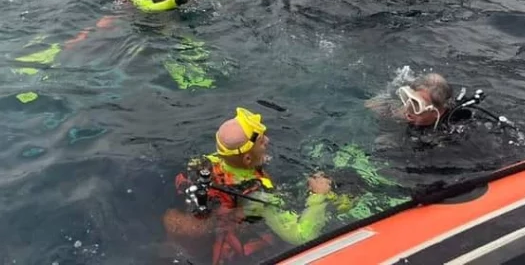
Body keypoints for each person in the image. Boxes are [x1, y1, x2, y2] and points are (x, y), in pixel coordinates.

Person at [164, 107, 335, 264]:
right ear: (247, 159)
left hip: (214, 228)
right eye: (261, 142)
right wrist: (318, 196)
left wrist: (256, 156)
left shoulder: (204, 165)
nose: (267, 141)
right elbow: (301, 236)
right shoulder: (256, 197)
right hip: (237, 248)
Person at [366, 72, 454, 129]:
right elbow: (370, 104)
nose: (407, 112)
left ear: (436, 112)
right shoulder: (405, 110)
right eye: (409, 99)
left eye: (417, 105)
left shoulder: (450, 130)